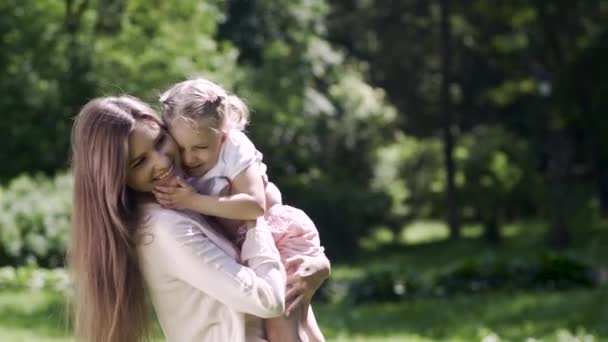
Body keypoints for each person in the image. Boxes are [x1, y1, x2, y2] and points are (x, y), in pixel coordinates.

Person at [68, 95, 290, 342]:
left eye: (161, 140)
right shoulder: (164, 230)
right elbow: (268, 299)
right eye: (140, 162)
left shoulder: (183, 202)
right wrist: (254, 221)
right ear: (116, 177)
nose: (162, 162)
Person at [152, 78, 330, 342]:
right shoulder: (178, 159)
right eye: (181, 149)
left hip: (277, 233)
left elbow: (256, 206)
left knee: (284, 321)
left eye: (200, 148)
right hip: (248, 241)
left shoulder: (233, 147)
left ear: (222, 135)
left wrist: (192, 201)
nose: (189, 159)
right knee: (298, 321)